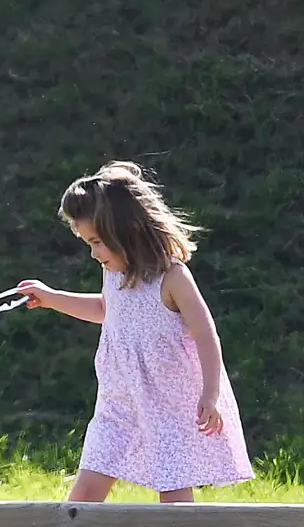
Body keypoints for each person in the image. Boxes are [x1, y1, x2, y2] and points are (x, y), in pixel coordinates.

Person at [17, 161, 253, 503]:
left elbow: (205, 334)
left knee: (173, 496)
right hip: (117, 403)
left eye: (98, 242)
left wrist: (210, 394)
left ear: (127, 230)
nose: (94, 253)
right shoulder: (114, 272)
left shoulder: (172, 278)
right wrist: (51, 297)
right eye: (88, 243)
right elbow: (106, 310)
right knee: (85, 493)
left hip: (167, 405)